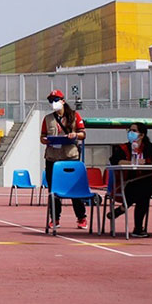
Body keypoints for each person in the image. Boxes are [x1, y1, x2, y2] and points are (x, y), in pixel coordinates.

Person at [40, 89, 88, 229]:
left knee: (75, 188)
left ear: (63, 101)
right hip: (52, 158)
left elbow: (83, 134)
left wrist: (75, 135)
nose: (53, 103)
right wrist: (45, 140)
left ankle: (81, 217)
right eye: (51, 101)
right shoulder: (48, 119)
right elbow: (42, 137)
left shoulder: (74, 116)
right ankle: (54, 218)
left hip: (70, 157)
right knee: (53, 190)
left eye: (56, 100)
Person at [108, 122, 152, 238]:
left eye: (134, 130)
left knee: (145, 189)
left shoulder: (150, 148)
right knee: (143, 192)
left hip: (146, 181)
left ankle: (123, 209)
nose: (130, 133)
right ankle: (137, 228)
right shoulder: (123, 148)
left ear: (141, 135)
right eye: (130, 130)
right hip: (127, 182)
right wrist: (132, 162)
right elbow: (117, 161)